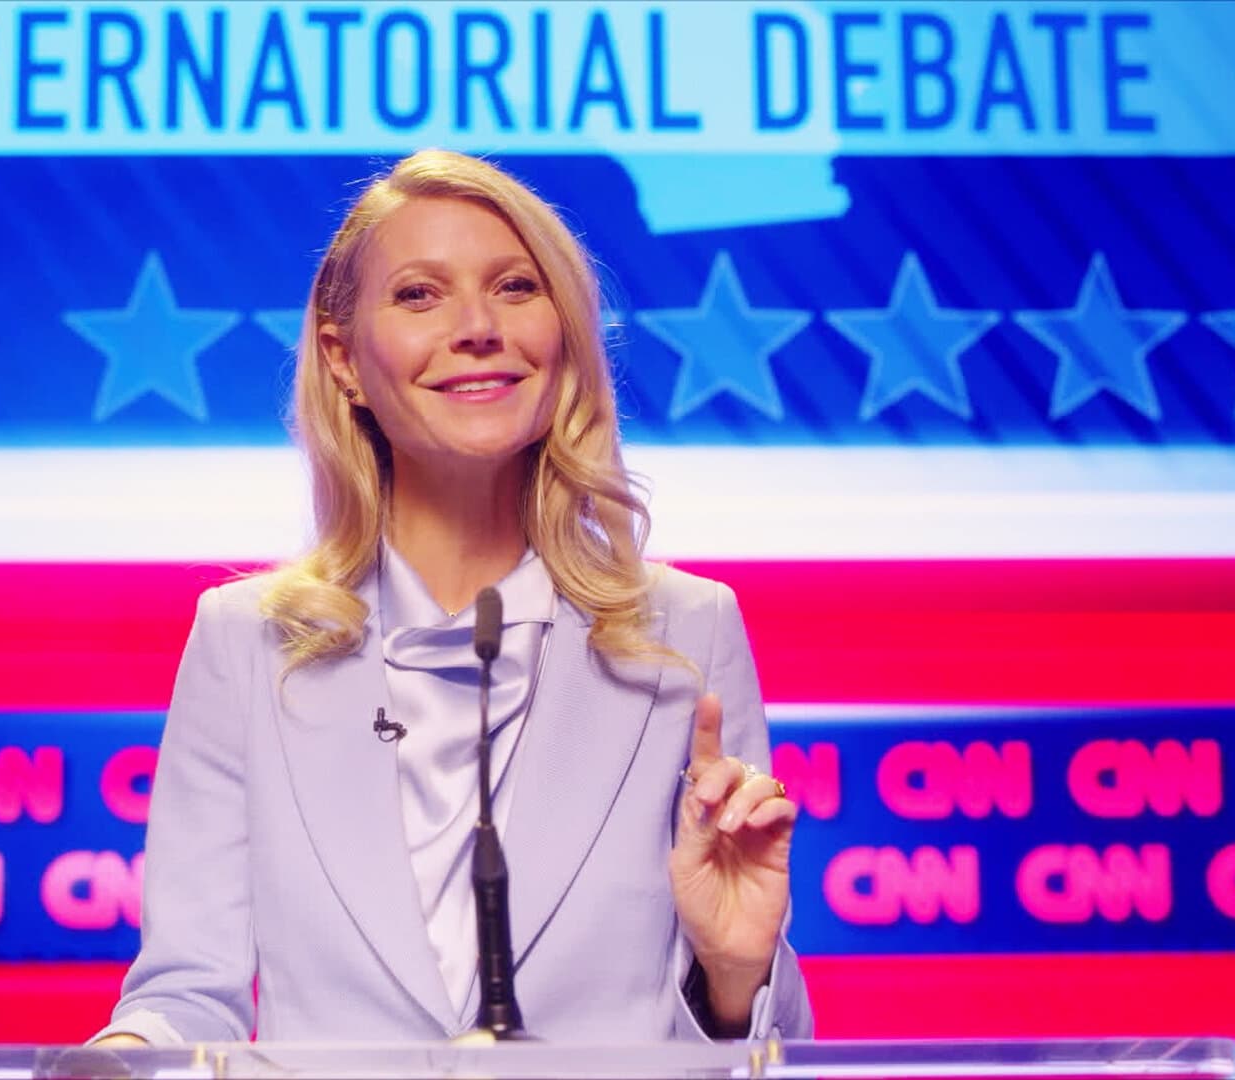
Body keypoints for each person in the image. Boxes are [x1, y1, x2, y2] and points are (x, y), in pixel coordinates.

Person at [92, 149, 811, 1046]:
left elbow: (762, 1041)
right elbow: (187, 996)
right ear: (343, 358)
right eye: (420, 295)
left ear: (563, 335)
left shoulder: (687, 631)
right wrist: (118, 1060)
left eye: (515, 287)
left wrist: (735, 967)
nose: (477, 327)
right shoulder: (247, 641)